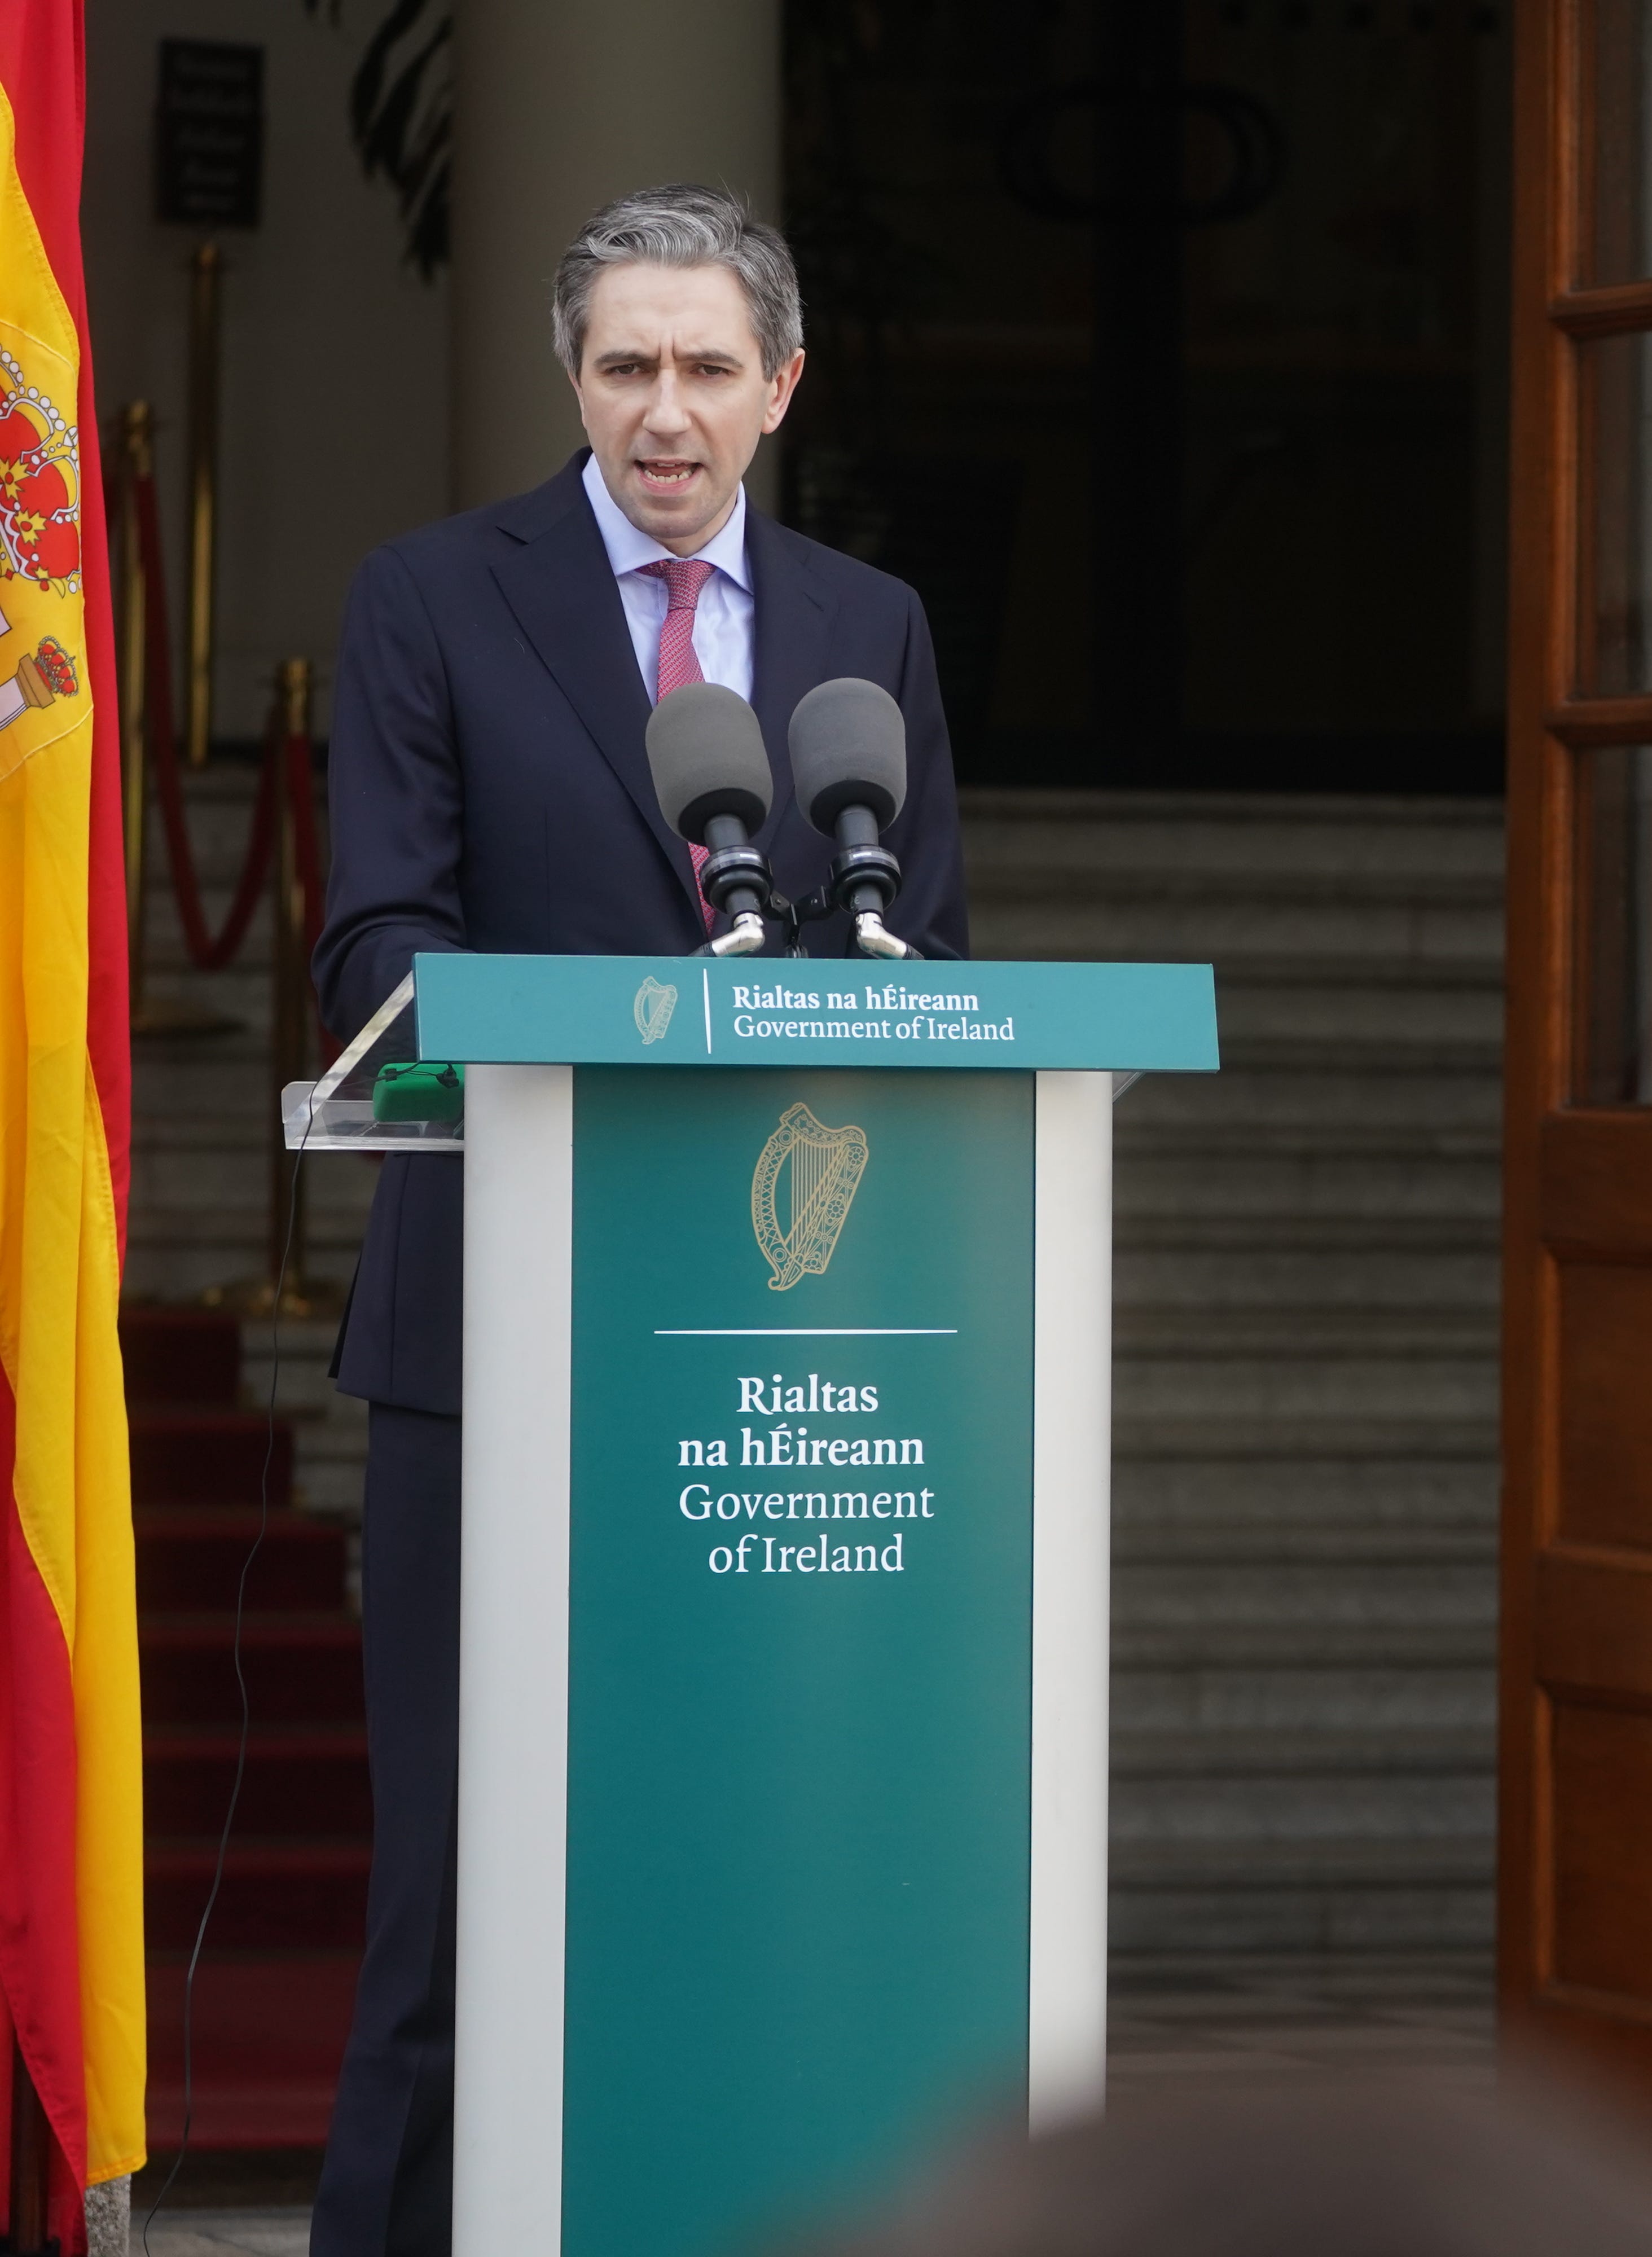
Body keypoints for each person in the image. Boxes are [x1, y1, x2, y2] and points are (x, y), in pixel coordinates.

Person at [306, 182, 969, 2257]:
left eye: (704, 368)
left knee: (763, 1850)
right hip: (492, 1332)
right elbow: (373, 959)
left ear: (782, 386)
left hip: (789, 1346)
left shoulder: (870, 632)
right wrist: (642, 1018)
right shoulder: (433, 595)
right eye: (624, 367)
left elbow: (930, 955)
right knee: (457, 1890)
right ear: (570, 379)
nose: (662, 415)